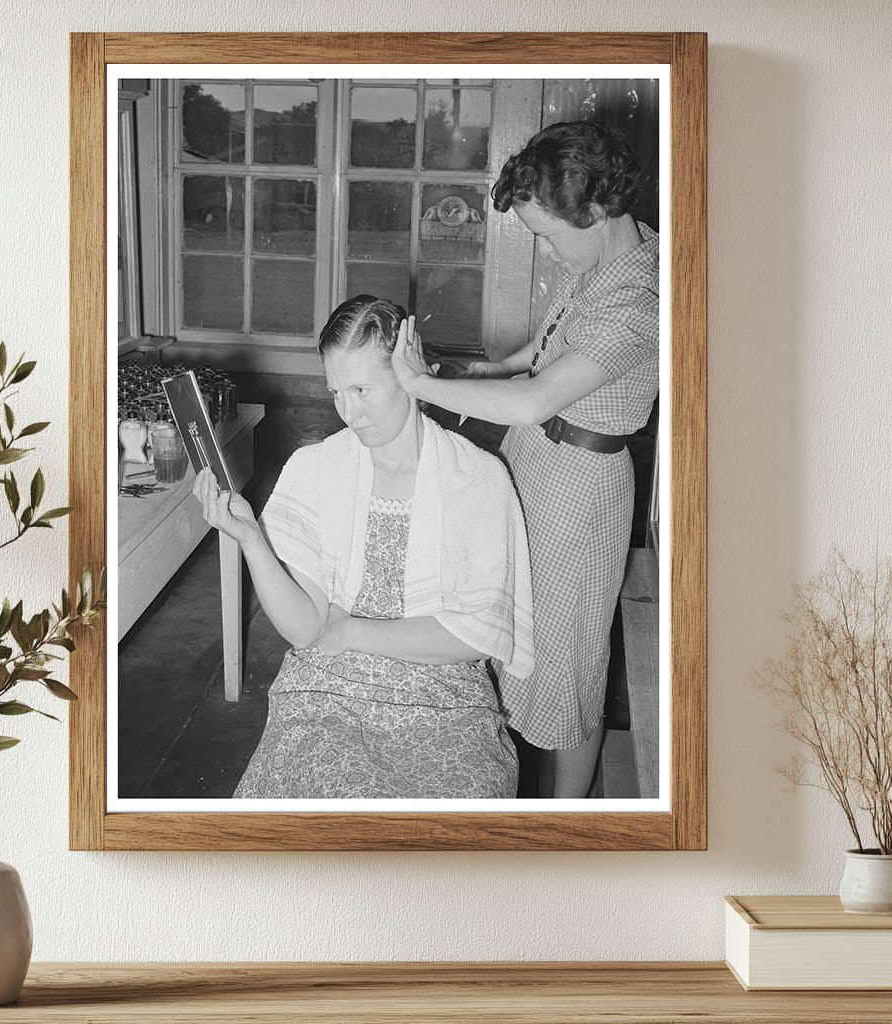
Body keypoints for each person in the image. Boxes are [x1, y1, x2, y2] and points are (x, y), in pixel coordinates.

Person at [391, 121, 659, 799]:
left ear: (596, 210)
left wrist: (423, 387)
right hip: (538, 468)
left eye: (546, 234)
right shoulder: (604, 262)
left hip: (580, 492)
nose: (544, 249)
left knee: (567, 669)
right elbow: (535, 358)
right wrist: (467, 368)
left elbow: (537, 397)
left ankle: (565, 821)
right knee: (521, 642)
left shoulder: (640, 298)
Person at [193, 295, 533, 799]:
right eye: (336, 392)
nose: (348, 412)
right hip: (326, 692)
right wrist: (251, 541)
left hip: (445, 702)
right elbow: (307, 630)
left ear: (412, 377)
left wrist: (349, 631)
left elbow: (477, 637)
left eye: (362, 389)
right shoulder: (315, 471)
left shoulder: (476, 479)